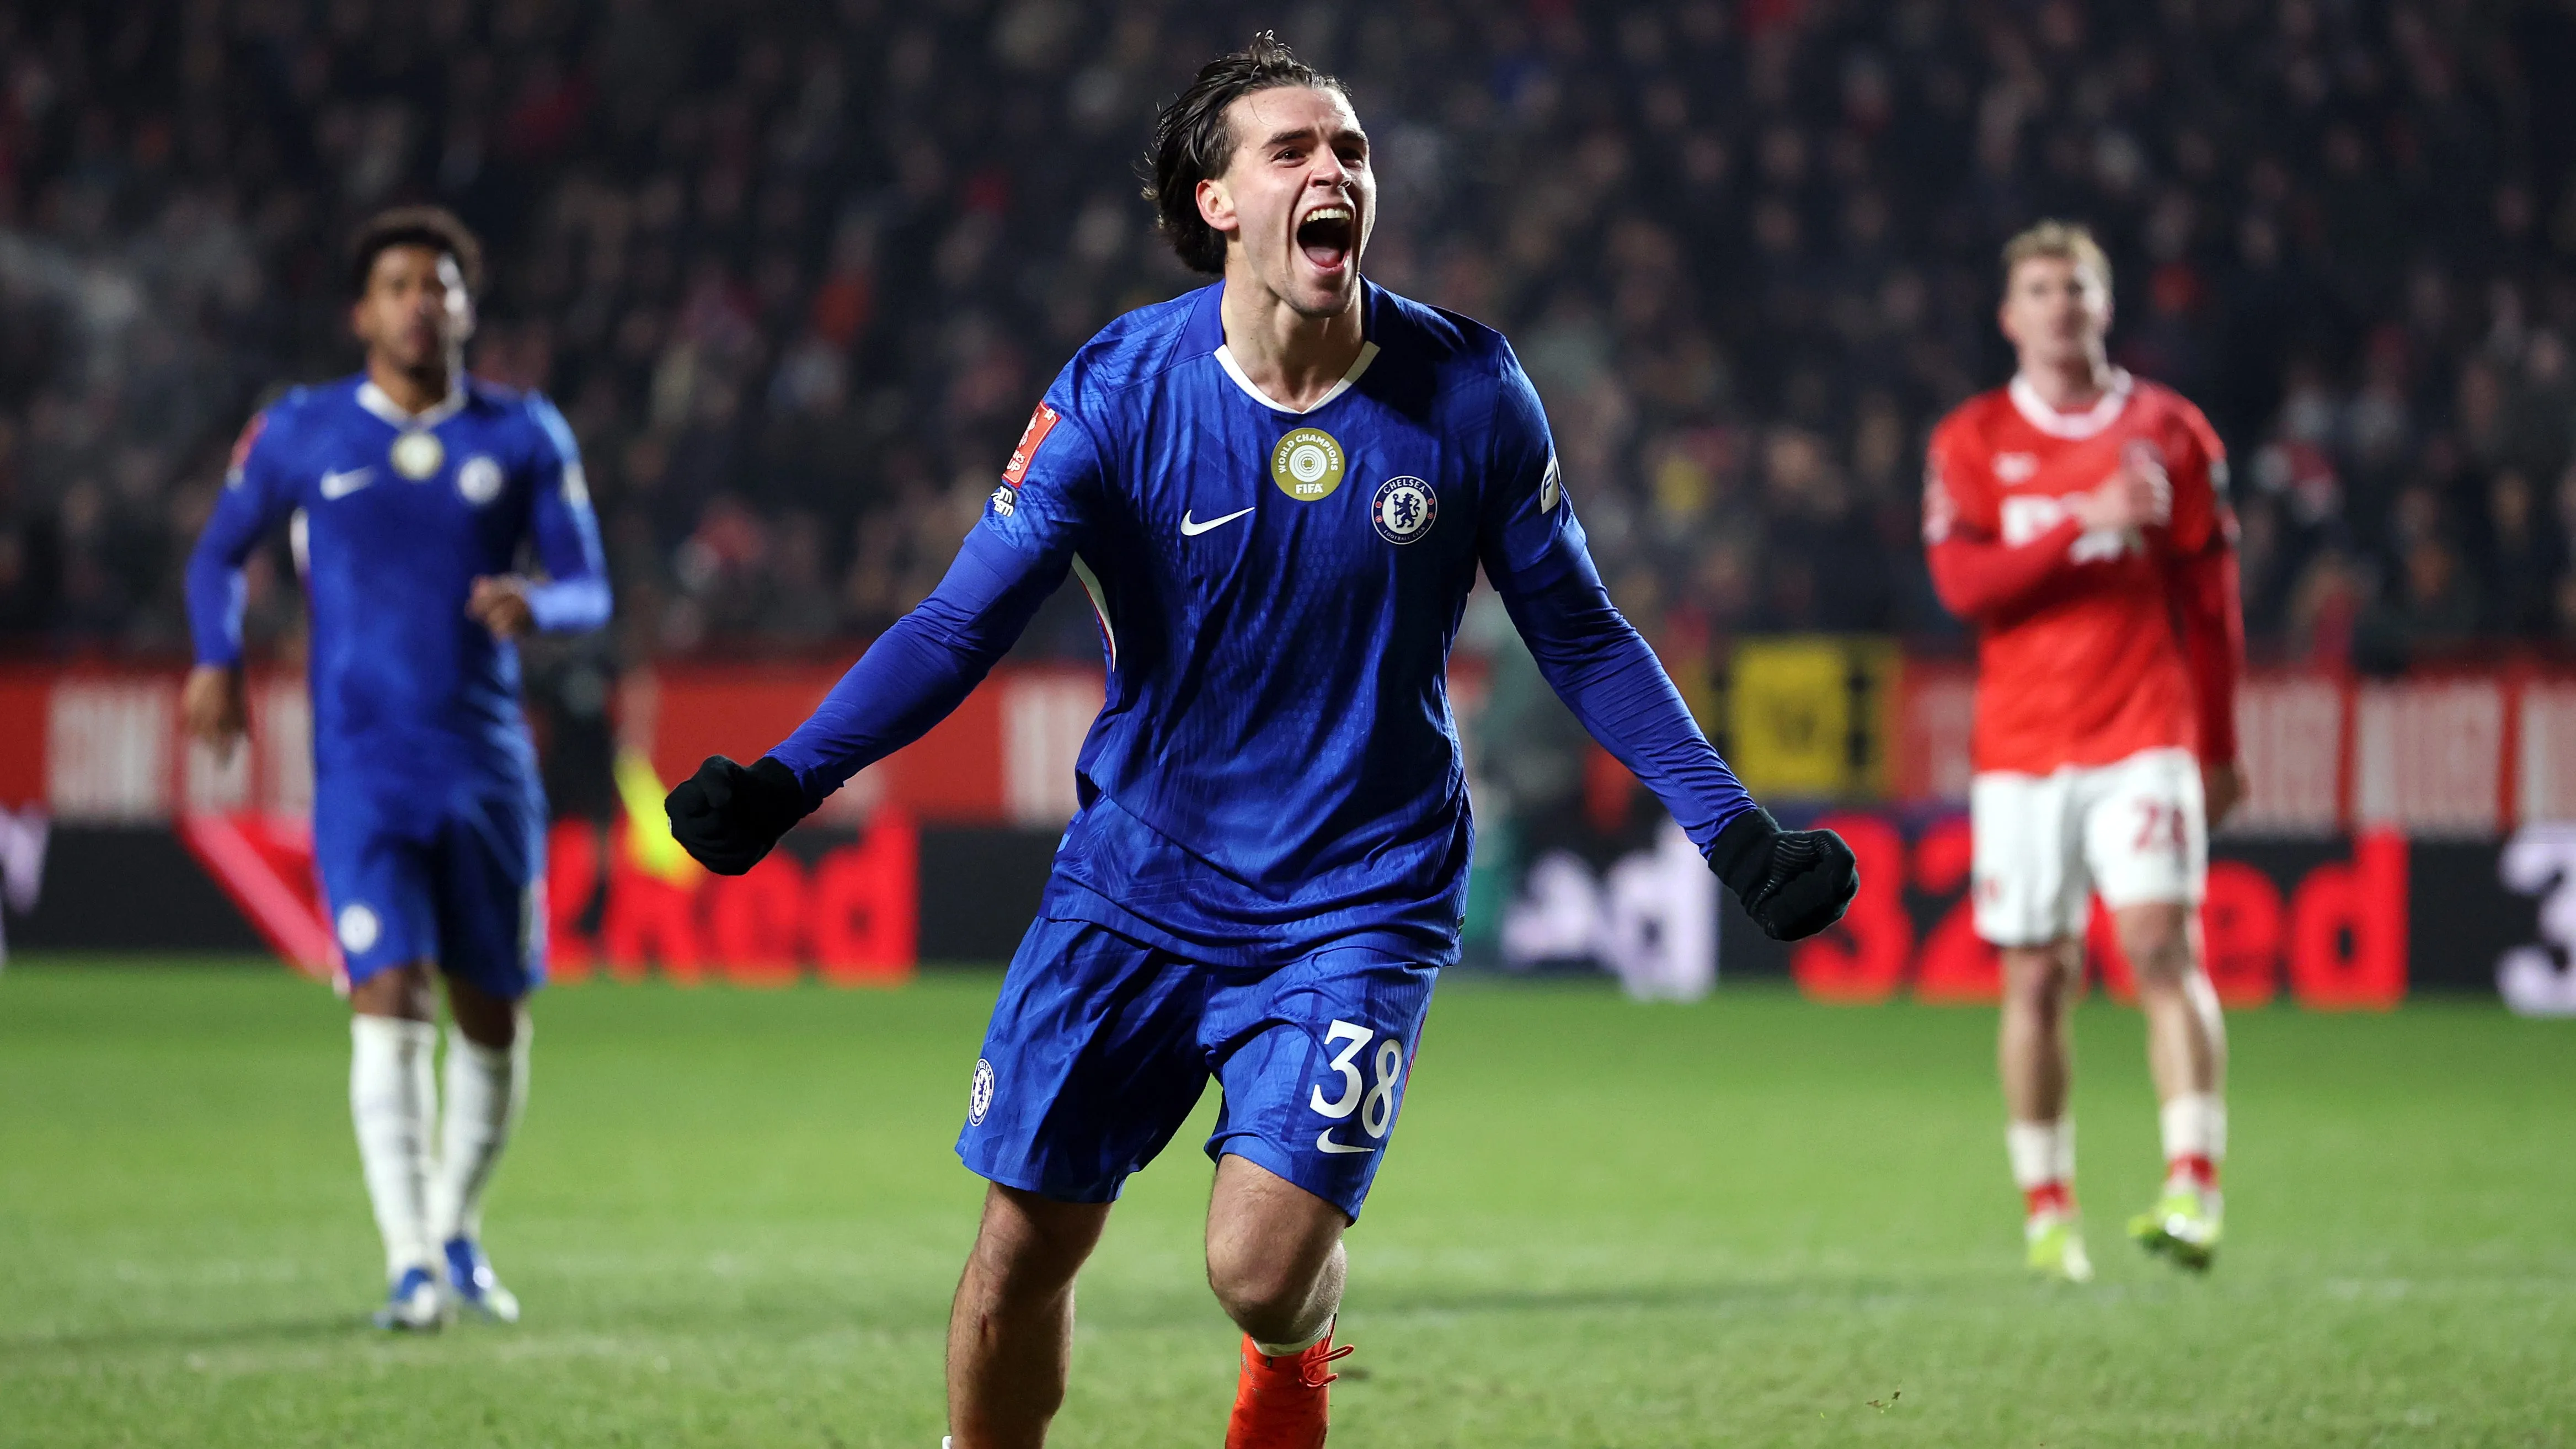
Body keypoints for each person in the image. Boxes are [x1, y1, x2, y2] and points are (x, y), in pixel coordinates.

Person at [666, 36, 1854, 1449]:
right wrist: (790, 776)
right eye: (1291, 150)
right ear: (1214, 201)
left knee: (1260, 1268)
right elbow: (957, 625)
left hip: (1361, 887)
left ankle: (1290, 1363)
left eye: (1349, 150)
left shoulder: (1469, 390)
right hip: (1137, 879)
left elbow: (1583, 636)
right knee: (1017, 1260)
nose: (1333, 170)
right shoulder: (1117, 392)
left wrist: (1735, 829)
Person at [182, 206, 611, 1330]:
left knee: (494, 1016)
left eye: (443, 285)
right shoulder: (300, 431)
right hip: (364, 770)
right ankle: (410, 1259)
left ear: (468, 308)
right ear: (363, 311)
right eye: (400, 284)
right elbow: (217, 556)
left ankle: (459, 1225)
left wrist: (541, 601)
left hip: (485, 767)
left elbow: (591, 584)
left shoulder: (523, 434)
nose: (423, 301)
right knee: (386, 996)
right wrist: (217, 662)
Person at [1921, 222, 2246, 1282]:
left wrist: (2220, 740)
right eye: (2038, 289)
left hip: (2142, 730)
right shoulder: (1970, 439)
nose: (2058, 305)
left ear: (2103, 307)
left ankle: (2192, 1186)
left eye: (2076, 287)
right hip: (2021, 747)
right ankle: (2048, 1213)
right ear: (2009, 316)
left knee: (2160, 944)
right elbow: (1965, 590)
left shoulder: (2169, 430)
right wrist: (2082, 523)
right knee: (2036, 975)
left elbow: (2212, 596)